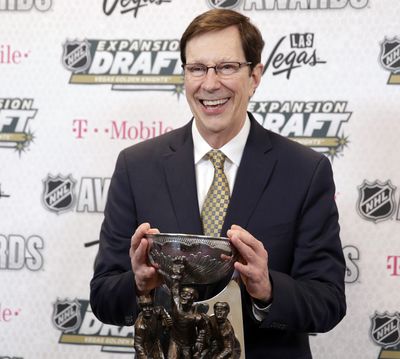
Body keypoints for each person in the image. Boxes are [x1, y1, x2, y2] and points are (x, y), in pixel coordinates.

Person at [90, 8, 346, 358]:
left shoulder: (305, 170)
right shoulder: (136, 166)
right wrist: (138, 285)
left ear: (255, 76)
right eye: (197, 68)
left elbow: (328, 301)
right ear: (184, 75)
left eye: (226, 67)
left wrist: (268, 289)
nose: (210, 83)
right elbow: (104, 298)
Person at [134, 295, 172, 359]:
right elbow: (138, 344)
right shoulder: (140, 325)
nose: (148, 309)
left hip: (157, 345)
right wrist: (143, 356)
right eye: (144, 306)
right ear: (140, 307)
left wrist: (166, 318)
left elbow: (162, 311)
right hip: (146, 349)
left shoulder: (157, 312)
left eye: (150, 306)